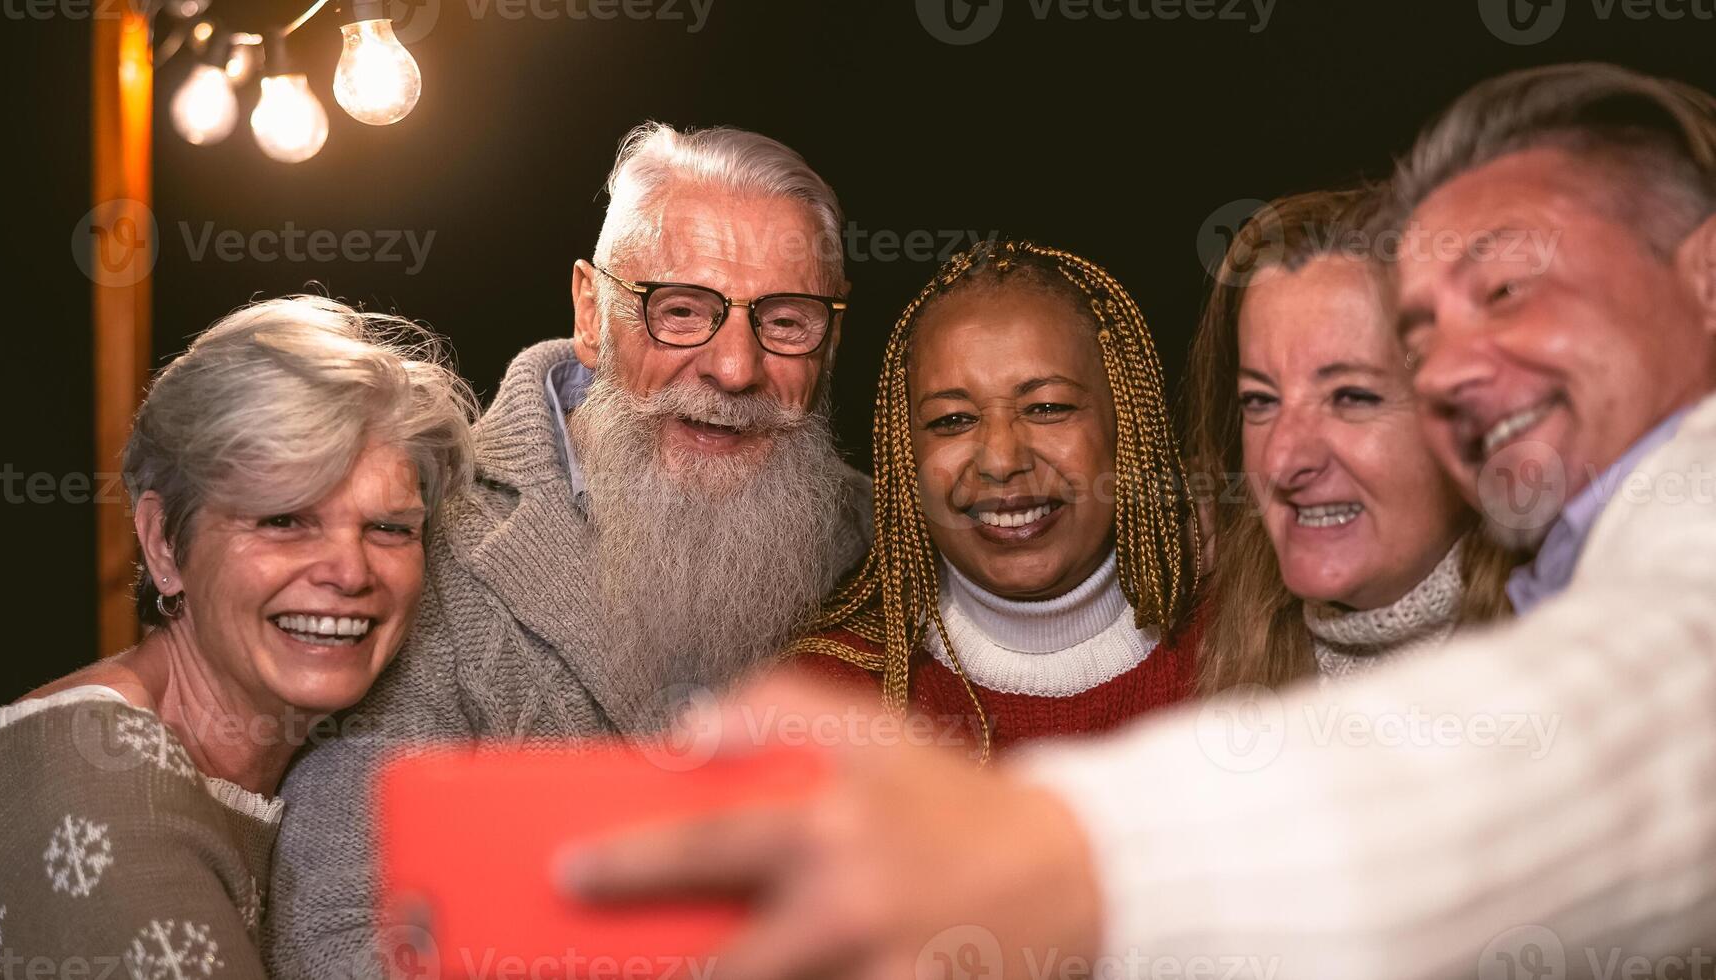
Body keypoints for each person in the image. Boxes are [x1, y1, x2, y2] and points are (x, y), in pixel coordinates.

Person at [560, 63, 1716, 976]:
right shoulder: (1279, 632)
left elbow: (1654, 700)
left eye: (1511, 293)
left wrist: (1061, 862)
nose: (1464, 365)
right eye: (1261, 400)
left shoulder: (1250, 624)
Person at [264, 123, 875, 977]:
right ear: (593, 313)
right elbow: (340, 933)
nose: (735, 368)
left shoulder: (880, 542)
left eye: (786, 321)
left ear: (830, 335)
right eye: (682, 311)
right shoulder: (419, 545)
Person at [0, 297, 475, 977]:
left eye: (389, 529)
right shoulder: (99, 774)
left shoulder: (274, 770)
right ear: (162, 544)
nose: (350, 572)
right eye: (284, 521)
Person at [787, 240, 1200, 758]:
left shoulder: (1253, 639)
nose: (1002, 460)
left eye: (1047, 407)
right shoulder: (828, 699)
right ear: (905, 455)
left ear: (1127, 423)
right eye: (952, 420)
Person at [1185, 188, 1513, 693]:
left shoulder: (1582, 651)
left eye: (1352, 397)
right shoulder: (1224, 648)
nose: (1282, 460)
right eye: (1260, 401)